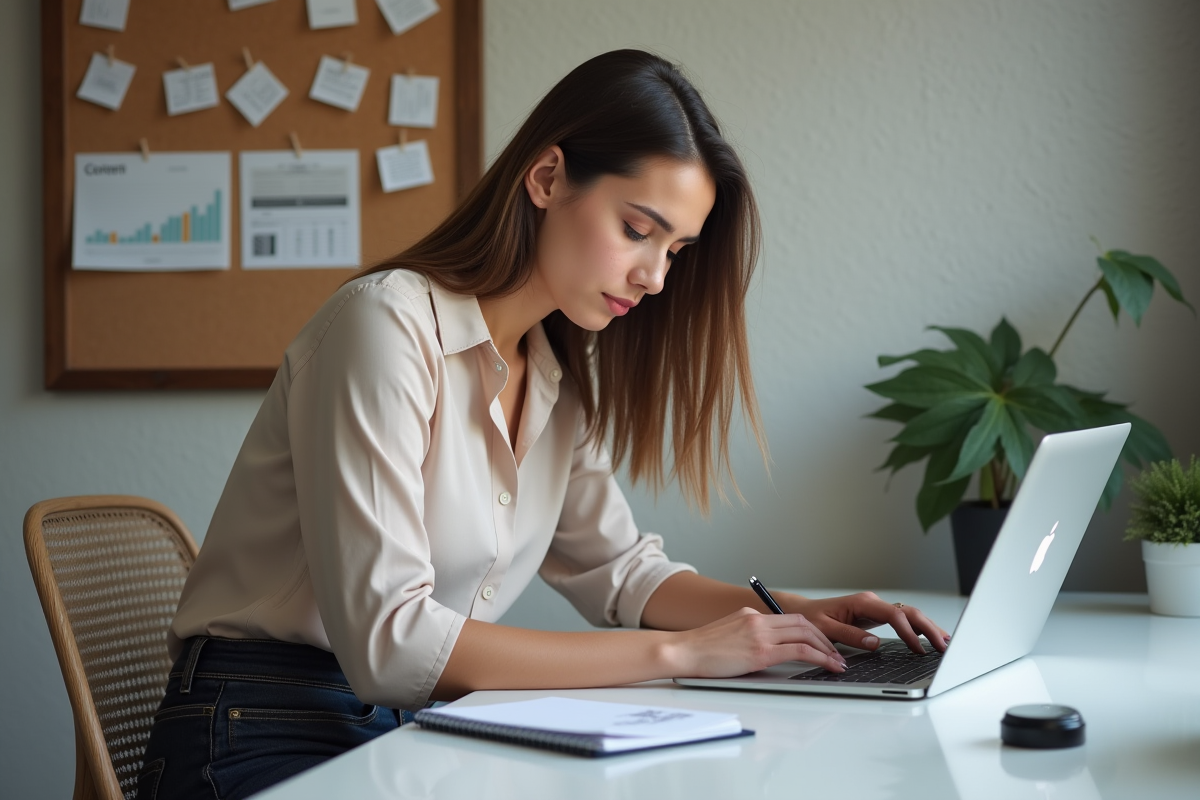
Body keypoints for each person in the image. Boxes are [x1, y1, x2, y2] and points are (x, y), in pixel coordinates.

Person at [137, 49, 949, 800]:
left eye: (676, 251)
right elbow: (390, 644)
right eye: (638, 230)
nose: (655, 276)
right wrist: (681, 656)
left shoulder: (553, 370)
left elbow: (625, 576)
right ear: (548, 177)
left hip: (398, 728)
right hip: (257, 729)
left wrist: (798, 616)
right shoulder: (385, 326)